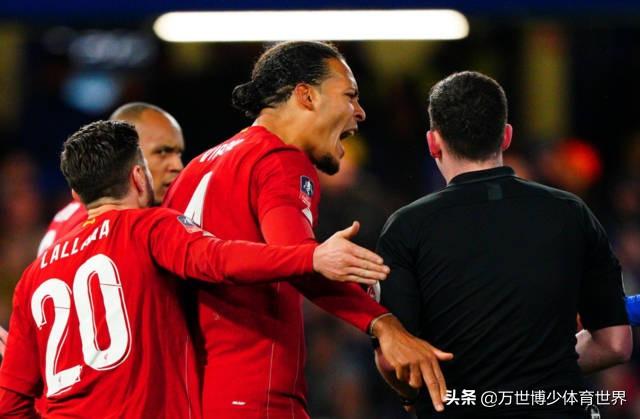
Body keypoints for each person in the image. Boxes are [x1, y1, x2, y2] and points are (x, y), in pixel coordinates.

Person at [0, 120, 390, 417]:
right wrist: (309, 257)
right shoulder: (147, 227)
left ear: (76, 193)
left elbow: (10, 401)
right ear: (138, 176)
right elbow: (218, 259)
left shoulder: (34, 276)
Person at [163, 41, 452, 418]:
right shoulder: (280, 159)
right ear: (307, 96)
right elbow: (302, 261)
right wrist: (383, 324)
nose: (360, 112)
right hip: (252, 395)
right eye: (350, 95)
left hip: (185, 396)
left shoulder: (195, 169)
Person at [374, 71, 632, 418]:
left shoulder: (406, 228)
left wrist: (415, 397)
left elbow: (393, 361)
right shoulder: (571, 213)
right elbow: (615, 343)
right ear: (506, 135)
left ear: (433, 142)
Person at [37, 102, 185, 255]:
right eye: (162, 152)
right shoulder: (89, 224)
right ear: (127, 154)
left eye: (179, 154)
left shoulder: (88, 211)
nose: (178, 166)